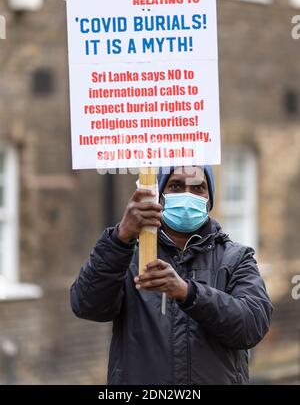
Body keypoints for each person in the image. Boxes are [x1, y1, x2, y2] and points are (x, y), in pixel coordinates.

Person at [71, 165, 273, 385]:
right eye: (175, 186)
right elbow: (87, 305)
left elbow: (251, 326)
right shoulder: (130, 257)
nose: (187, 195)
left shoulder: (235, 258)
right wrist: (120, 238)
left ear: (209, 198)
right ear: (159, 194)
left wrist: (189, 293)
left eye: (198, 188)